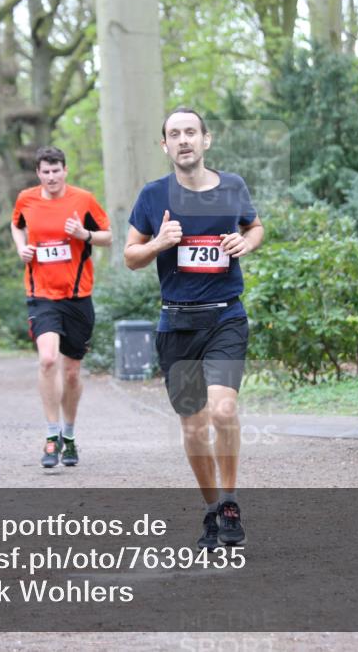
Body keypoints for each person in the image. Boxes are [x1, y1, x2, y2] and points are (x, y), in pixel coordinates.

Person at [124, 107, 264, 548]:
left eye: (190, 132)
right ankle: (210, 508)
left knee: (222, 410)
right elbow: (130, 256)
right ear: (164, 146)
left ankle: (230, 502)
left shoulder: (232, 186)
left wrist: (246, 241)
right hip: (177, 323)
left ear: (206, 139)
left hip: (225, 316)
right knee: (193, 426)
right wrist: (158, 243)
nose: (183, 140)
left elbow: (255, 227)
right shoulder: (153, 196)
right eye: (174, 134)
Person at [11, 146, 111, 468]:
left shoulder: (84, 200)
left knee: (71, 373)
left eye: (56, 171)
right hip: (41, 294)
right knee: (48, 360)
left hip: (78, 297)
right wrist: (22, 248)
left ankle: (69, 436)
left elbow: (108, 236)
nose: (51, 177)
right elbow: (16, 224)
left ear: (65, 171)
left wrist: (84, 234)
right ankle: (51, 436)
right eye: (46, 171)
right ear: (38, 173)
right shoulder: (26, 199)